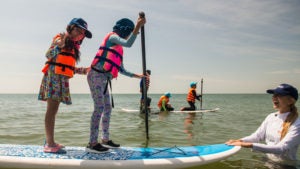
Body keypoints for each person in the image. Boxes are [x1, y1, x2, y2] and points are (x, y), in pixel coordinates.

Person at [86, 16, 146, 153]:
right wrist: (138, 26)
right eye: (130, 31)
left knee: (108, 108)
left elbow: (122, 69)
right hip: (95, 76)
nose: (130, 34)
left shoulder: (118, 49)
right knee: (99, 108)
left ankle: (105, 140)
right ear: (123, 29)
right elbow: (129, 43)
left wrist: (137, 76)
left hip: (104, 79)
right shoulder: (112, 37)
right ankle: (92, 143)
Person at [38, 18, 92, 153]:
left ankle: (49, 140)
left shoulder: (73, 47)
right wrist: (59, 45)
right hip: (53, 78)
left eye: (83, 33)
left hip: (61, 80)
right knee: (51, 110)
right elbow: (48, 55)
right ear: (70, 28)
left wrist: (83, 70)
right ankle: (49, 144)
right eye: (78, 30)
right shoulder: (60, 38)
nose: (80, 34)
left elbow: (67, 67)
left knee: (54, 110)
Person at [226, 84, 300, 167]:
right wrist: (240, 141)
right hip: (267, 161)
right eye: (274, 95)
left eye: (279, 95)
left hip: (285, 166)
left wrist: (249, 145)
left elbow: (281, 148)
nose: (274, 97)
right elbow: (257, 136)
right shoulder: (271, 117)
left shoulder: (297, 124)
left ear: (290, 101)